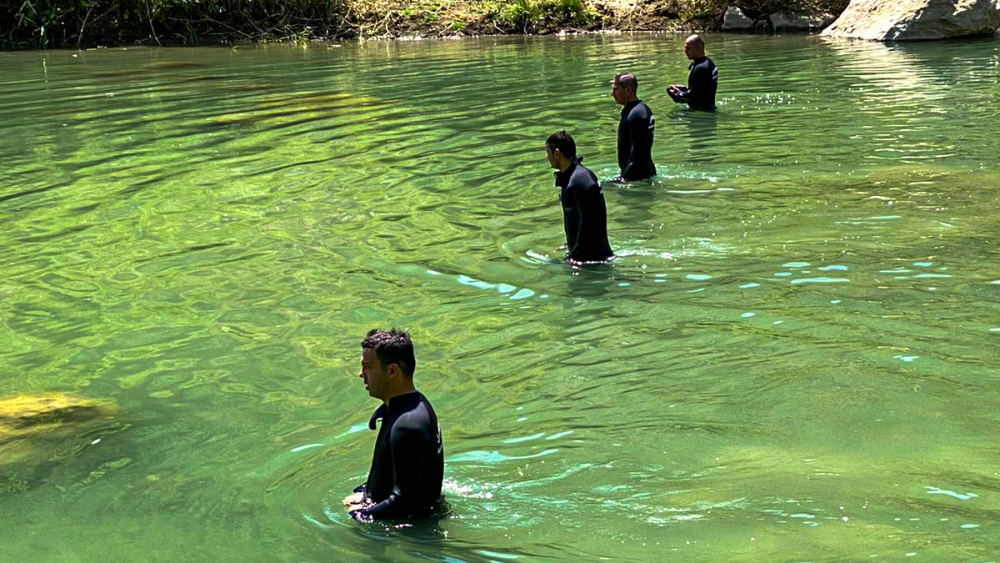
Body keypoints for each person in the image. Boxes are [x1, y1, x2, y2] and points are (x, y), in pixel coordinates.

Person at [343, 329, 444, 520]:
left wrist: (359, 515)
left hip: (412, 537)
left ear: (392, 371)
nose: (361, 374)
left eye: (367, 367)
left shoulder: (408, 424)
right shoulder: (409, 407)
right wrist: (364, 492)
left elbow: (404, 502)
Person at [545, 131, 614, 264]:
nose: (546, 156)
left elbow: (588, 221)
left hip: (594, 261)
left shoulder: (580, 180)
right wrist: (569, 245)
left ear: (557, 153)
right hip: (585, 258)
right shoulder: (573, 178)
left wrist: (575, 258)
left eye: (548, 152)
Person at [610, 72, 656, 181]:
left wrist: (626, 178)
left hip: (637, 176)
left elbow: (638, 151)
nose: (612, 93)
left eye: (616, 89)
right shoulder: (637, 110)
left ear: (628, 90)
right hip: (638, 172)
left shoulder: (637, 114)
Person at [668, 34, 718, 111]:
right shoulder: (707, 62)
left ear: (698, 49)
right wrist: (683, 90)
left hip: (702, 113)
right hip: (706, 109)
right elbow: (700, 90)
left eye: (688, 48)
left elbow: (694, 96)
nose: (685, 51)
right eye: (685, 48)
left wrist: (678, 95)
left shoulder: (701, 68)